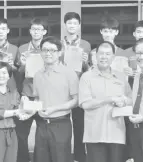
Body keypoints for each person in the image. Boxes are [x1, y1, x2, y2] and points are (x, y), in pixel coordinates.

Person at [79, 41, 133, 162]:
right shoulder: (86, 77)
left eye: (108, 54)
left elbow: (131, 99)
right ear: (95, 56)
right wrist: (109, 99)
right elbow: (85, 104)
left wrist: (124, 101)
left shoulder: (120, 76)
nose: (104, 57)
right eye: (101, 53)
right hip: (94, 134)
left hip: (117, 134)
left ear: (113, 57)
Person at [32, 36, 79, 162]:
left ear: (60, 52)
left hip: (61, 124)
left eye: (52, 50)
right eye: (45, 50)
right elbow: (37, 98)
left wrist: (54, 109)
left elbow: (76, 100)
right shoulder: (37, 75)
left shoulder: (69, 73)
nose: (48, 53)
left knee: (61, 158)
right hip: (41, 125)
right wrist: (32, 109)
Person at [0, 61, 31, 162]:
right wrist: (17, 112)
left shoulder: (14, 93)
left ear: (9, 76)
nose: (1, 76)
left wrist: (25, 105)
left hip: (11, 133)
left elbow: (20, 111)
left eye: (4, 73)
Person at [13, 17, 48, 162]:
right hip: (27, 96)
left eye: (39, 29)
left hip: (44, 97)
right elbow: (17, 73)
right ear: (30, 31)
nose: (36, 32)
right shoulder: (22, 49)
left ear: (44, 31)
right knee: (21, 134)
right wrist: (22, 64)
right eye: (34, 29)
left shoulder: (49, 49)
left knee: (43, 135)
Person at [63, 12, 92, 162]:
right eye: (69, 23)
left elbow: (88, 69)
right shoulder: (59, 43)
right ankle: (64, 155)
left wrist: (86, 62)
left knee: (79, 124)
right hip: (62, 88)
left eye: (75, 23)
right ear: (65, 25)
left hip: (79, 87)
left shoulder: (86, 44)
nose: (72, 26)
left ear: (79, 25)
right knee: (62, 124)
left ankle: (80, 157)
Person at [124, 20, 143, 88]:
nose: (141, 35)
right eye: (138, 32)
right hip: (131, 87)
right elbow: (122, 71)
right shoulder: (126, 52)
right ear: (134, 34)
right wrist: (128, 73)